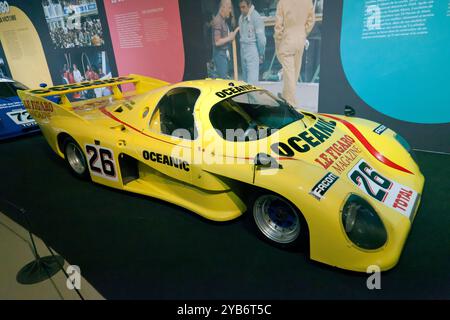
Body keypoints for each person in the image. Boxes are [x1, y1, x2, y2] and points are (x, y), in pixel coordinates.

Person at [274, 0, 315, 107]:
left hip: (287, 40)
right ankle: (285, 96)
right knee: (294, 72)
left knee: (289, 74)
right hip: (300, 40)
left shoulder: (282, 2)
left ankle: (291, 103)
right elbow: (311, 20)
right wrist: (303, 32)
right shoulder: (308, 1)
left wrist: (278, 41)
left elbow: (278, 26)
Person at [238, 0, 266, 84]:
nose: (242, 10)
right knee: (245, 82)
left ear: (249, 5)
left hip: (252, 49)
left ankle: (252, 97)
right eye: (240, 7)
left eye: (244, 7)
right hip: (243, 49)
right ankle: (248, 97)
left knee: (252, 82)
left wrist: (261, 54)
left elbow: (262, 40)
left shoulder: (256, 17)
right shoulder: (241, 18)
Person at [211, 0, 239, 79]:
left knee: (224, 78)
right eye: (229, 8)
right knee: (223, 80)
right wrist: (229, 37)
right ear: (223, 7)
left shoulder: (222, 20)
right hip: (220, 55)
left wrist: (229, 36)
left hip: (223, 54)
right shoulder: (218, 21)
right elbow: (217, 42)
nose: (230, 11)